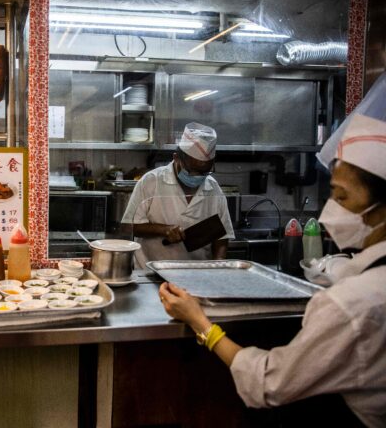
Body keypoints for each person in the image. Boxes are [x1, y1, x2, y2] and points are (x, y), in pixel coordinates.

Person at [158, 81, 386, 427]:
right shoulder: (361, 281)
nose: (330, 213)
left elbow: (267, 383)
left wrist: (200, 322)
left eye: (341, 197)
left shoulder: (351, 305)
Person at [121, 122, 234, 268]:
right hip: (151, 273)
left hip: (197, 274)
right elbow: (128, 226)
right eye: (192, 171)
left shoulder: (213, 189)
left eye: (204, 172)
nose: (197, 177)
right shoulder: (151, 181)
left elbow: (221, 237)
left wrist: (218, 266)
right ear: (176, 158)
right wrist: (163, 229)